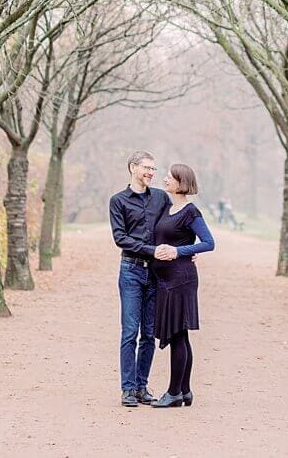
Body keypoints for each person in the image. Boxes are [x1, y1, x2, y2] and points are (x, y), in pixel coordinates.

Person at [150, 163, 215, 408]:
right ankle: (185, 391)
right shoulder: (167, 208)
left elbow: (208, 243)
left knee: (178, 334)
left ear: (182, 182)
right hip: (165, 279)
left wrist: (179, 251)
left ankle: (174, 392)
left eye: (170, 176)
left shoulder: (190, 212)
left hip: (181, 279)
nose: (165, 178)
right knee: (181, 335)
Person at [108, 150, 170, 407]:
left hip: (155, 272)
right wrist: (151, 250)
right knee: (130, 332)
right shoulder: (118, 201)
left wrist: (186, 250)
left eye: (154, 169)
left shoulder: (161, 198)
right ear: (133, 168)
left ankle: (142, 386)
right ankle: (128, 389)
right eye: (146, 167)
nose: (151, 173)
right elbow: (120, 238)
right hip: (131, 271)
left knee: (149, 333)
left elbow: (172, 227)